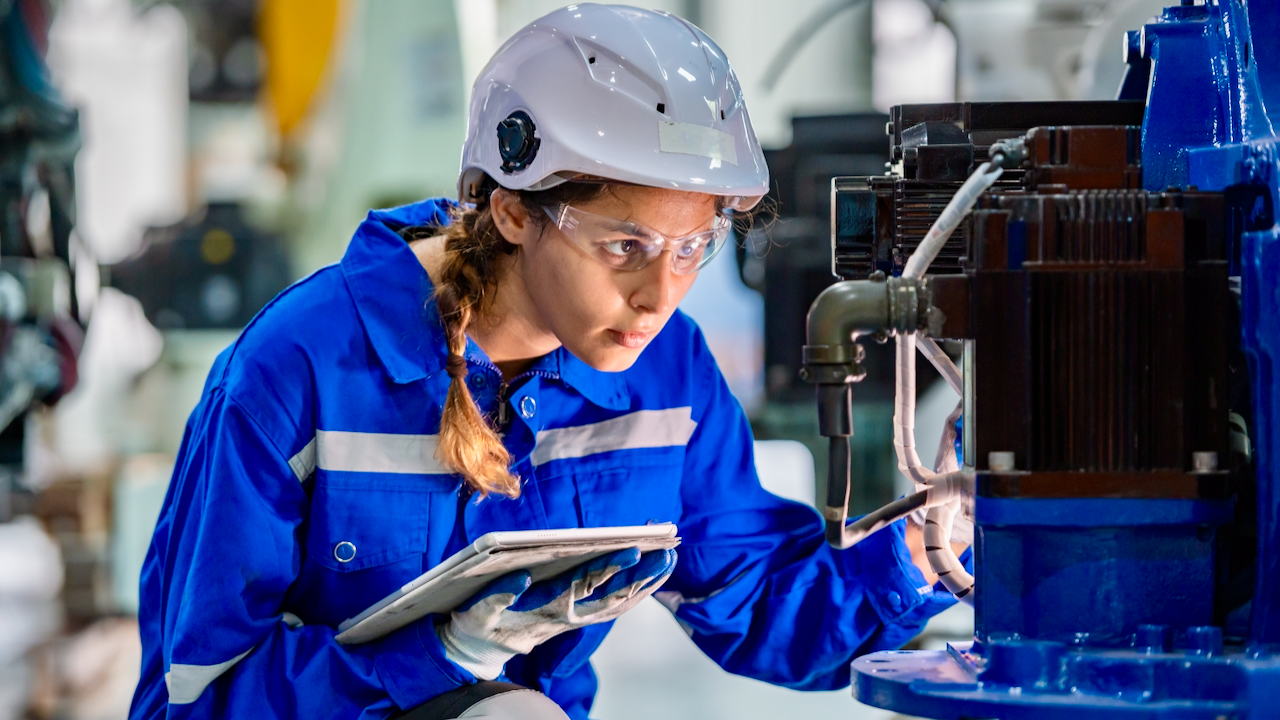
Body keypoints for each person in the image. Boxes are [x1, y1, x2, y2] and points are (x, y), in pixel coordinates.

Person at [129, 5, 968, 720]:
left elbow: (760, 608)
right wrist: (437, 655)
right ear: (513, 212)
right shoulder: (299, 369)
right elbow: (194, 698)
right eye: (626, 246)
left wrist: (918, 553)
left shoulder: (664, 371)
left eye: (693, 248)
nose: (660, 295)